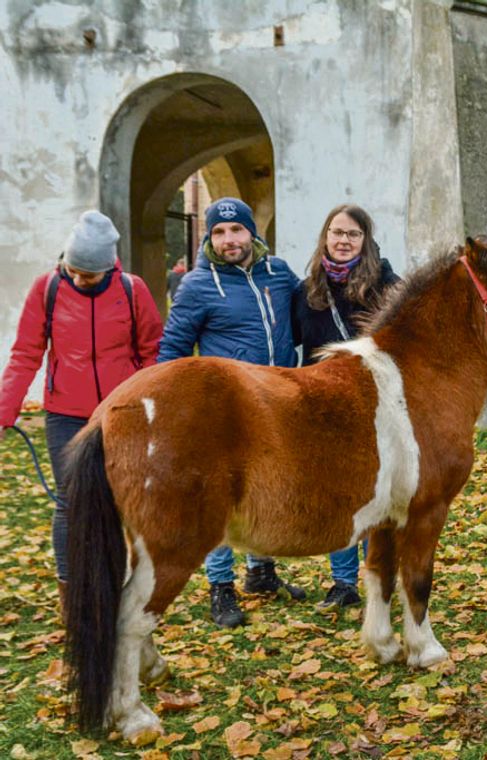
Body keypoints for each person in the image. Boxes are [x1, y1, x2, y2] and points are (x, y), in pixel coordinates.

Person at [0, 211, 163, 607]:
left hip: (120, 415)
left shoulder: (131, 290)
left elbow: (151, 355)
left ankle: (114, 591)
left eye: (87, 274)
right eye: (72, 270)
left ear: (108, 266)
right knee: (70, 502)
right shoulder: (48, 289)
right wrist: (5, 410)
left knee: (118, 503)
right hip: (66, 416)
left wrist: (149, 413)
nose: (78, 279)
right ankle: (71, 598)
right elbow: (25, 354)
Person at [158, 197, 306, 628]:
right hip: (226, 411)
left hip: (277, 402)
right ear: (209, 238)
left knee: (267, 490)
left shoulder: (279, 274)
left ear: (251, 233)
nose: (229, 240)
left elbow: (306, 315)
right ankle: (220, 587)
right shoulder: (197, 286)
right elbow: (172, 352)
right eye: (219, 233)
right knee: (222, 499)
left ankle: (261, 571)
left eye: (236, 230)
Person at [292, 203, 401, 609]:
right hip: (326, 406)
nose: (342, 240)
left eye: (352, 234)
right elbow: (298, 346)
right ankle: (342, 582)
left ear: (365, 241)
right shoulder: (307, 292)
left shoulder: (387, 287)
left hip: (376, 406)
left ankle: (377, 575)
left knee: (376, 492)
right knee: (340, 494)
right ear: (325, 236)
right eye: (336, 232)